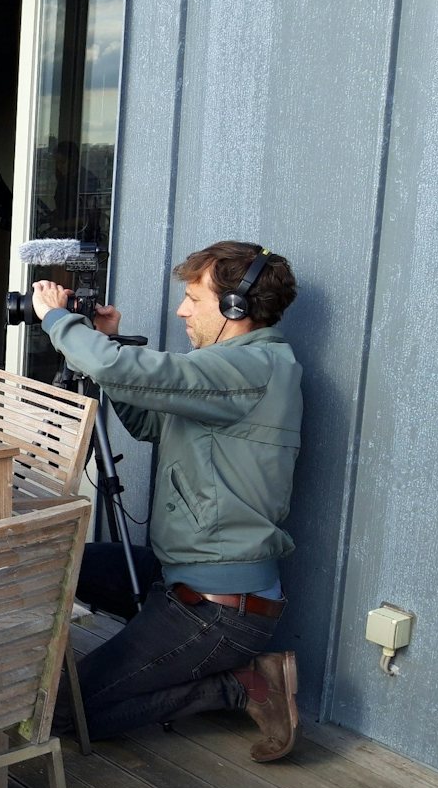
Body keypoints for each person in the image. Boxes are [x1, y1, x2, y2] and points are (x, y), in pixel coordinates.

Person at [32, 240, 304, 761]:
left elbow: (127, 374)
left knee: (63, 712)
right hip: (175, 572)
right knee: (51, 563)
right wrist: (106, 343)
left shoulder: (254, 370)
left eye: (192, 299)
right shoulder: (230, 369)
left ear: (235, 308)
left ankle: (243, 685)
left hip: (218, 610)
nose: (181, 310)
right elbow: (149, 420)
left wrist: (59, 322)